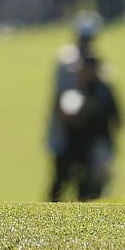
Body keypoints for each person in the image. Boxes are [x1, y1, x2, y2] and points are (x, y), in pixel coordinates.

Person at [48, 54, 121, 202]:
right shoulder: (74, 90)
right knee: (61, 185)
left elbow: (115, 118)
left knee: (91, 189)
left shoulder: (102, 92)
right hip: (74, 147)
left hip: (96, 146)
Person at [45, 12, 101, 186]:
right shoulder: (67, 61)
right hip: (66, 129)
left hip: (86, 131)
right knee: (61, 177)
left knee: (85, 180)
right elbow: (61, 98)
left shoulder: (93, 60)